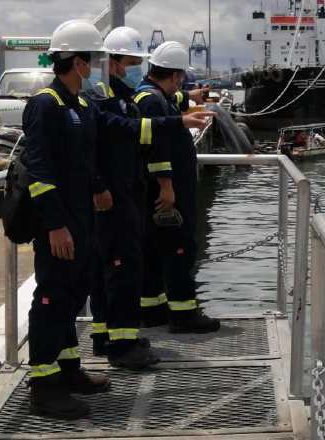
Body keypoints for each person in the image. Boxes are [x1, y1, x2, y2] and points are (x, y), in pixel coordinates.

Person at [21, 19, 202, 419]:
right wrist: (55, 224)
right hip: (59, 225)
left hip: (82, 220)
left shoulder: (82, 106)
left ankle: (68, 371)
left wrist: (176, 122)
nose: (97, 67)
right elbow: (38, 171)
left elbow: (121, 131)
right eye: (93, 60)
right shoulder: (45, 105)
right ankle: (43, 386)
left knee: (71, 297)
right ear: (80, 62)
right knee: (51, 300)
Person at [134, 41, 220, 333]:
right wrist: (167, 188)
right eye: (180, 80)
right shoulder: (152, 100)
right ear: (174, 76)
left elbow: (171, 105)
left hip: (161, 189)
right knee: (179, 248)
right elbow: (157, 148)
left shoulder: (152, 95)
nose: (180, 85)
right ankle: (184, 314)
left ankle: (153, 311)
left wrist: (190, 97)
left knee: (155, 250)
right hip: (167, 191)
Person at [87, 26, 159, 370]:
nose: (136, 69)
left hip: (120, 194)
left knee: (106, 270)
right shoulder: (106, 102)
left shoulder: (115, 98)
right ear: (114, 63)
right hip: (115, 199)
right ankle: (123, 344)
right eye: (132, 62)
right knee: (122, 269)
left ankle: (104, 335)